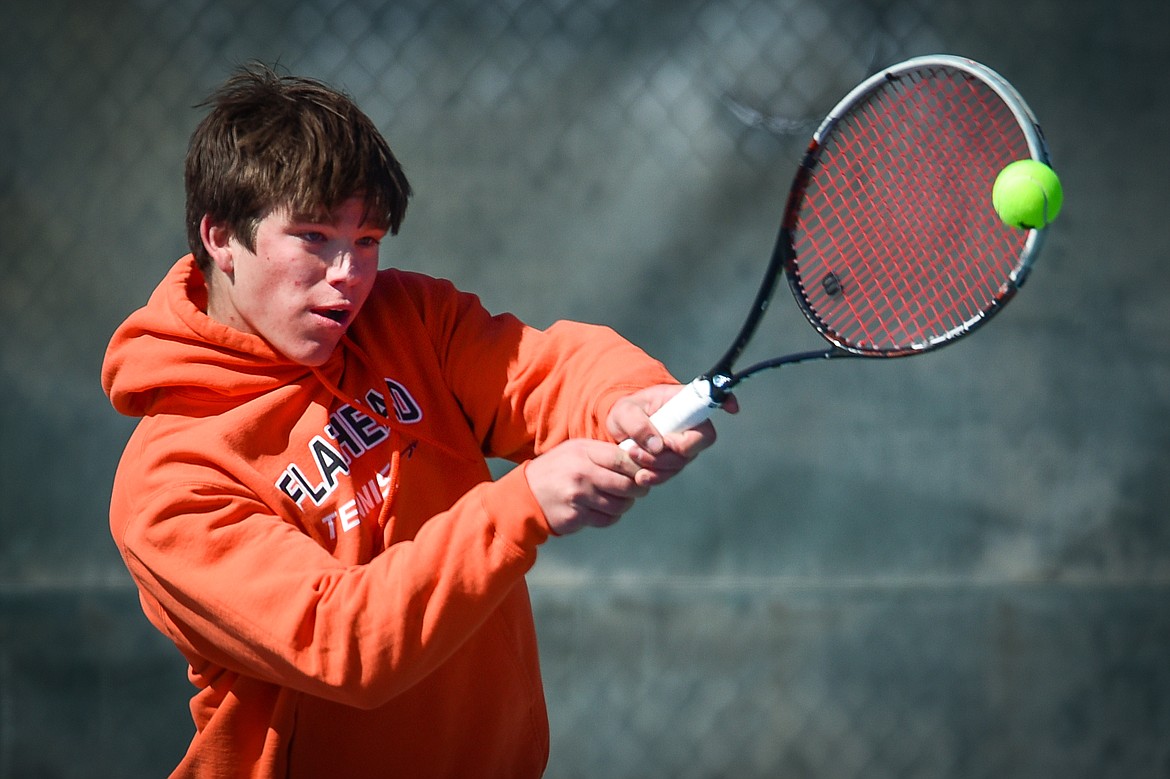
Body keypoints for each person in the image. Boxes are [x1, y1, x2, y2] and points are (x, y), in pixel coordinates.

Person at [101, 64, 731, 778]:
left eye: (366, 239)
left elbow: (534, 371)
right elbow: (344, 639)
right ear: (220, 237)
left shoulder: (408, 319)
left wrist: (623, 398)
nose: (348, 273)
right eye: (313, 236)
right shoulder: (169, 485)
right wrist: (520, 507)